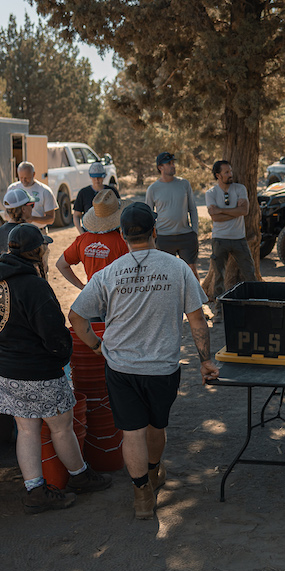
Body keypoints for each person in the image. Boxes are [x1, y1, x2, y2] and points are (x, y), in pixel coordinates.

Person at [67, 202, 219, 520]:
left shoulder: (108, 274)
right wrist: (205, 361)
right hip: (163, 367)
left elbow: (76, 318)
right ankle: (152, 473)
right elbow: (197, 321)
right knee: (155, 426)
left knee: (131, 432)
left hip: (120, 367)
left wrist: (98, 347)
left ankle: (141, 497)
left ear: (122, 235)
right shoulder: (177, 269)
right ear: (154, 231)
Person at [0, 223, 112, 514]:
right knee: (61, 426)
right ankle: (80, 476)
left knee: (26, 429)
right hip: (35, 369)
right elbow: (55, 336)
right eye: (45, 246)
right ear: (37, 251)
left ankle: (35, 490)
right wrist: (62, 358)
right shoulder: (35, 286)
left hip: (2, 367)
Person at [205, 159, 257, 315]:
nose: (230, 174)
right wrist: (234, 211)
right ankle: (219, 310)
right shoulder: (211, 193)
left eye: (231, 171)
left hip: (239, 238)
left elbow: (244, 211)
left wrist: (221, 210)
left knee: (249, 272)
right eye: (226, 172)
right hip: (219, 239)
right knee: (219, 276)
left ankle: (255, 304)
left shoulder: (240, 189)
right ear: (218, 175)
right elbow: (215, 217)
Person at [56, 189, 130, 289]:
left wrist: (82, 287)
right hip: (115, 294)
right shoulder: (121, 241)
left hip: (93, 293)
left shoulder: (82, 239)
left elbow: (61, 264)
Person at [145, 152, 200, 279]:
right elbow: (148, 215)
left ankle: (199, 299)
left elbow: (192, 208)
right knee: (165, 274)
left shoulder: (184, 184)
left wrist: (194, 231)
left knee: (191, 272)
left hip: (186, 236)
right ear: (160, 167)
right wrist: (152, 238)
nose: (173, 165)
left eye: (173, 163)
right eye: (169, 163)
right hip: (164, 238)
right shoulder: (153, 189)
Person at [72, 162, 120, 235]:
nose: (97, 180)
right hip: (90, 232)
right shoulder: (83, 193)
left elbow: (120, 211)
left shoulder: (111, 192)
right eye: (94, 177)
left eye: (99, 177)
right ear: (90, 177)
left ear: (104, 177)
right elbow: (76, 215)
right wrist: (82, 233)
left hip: (111, 232)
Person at [8, 161, 57, 231]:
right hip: (17, 232)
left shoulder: (44, 191)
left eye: (26, 178)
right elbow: (6, 213)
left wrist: (33, 219)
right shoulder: (12, 189)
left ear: (33, 174)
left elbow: (51, 219)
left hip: (38, 231)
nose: (23, 180)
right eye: (21, 178)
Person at [0, 187, 35, 255]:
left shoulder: (1, 230)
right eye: (31, 205)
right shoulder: (29, 231)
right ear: (23, 209)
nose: (32, 208)